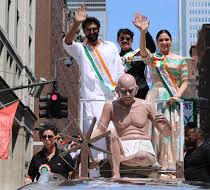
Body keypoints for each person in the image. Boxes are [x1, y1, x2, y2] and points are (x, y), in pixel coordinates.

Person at [133, 13, 190, 171]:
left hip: (172, 97)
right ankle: (153, 164)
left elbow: (185, 81)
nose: (164, 42)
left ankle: (169, 167)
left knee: (171, 130)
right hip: (155, 96)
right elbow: (143, 52)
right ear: (157, 43)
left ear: (171, 41)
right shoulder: (154, 58)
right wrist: (143, 31)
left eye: (167, 39)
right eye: (161, 40)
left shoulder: (180, 60)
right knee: (153, 131)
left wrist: (178, 95)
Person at [91, 74, 172, 178]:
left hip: (143, 148)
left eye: (131, 90)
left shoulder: (147, 105)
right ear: (117, 90)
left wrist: (167, 124)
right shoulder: (110, 106)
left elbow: (166, 133)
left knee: (142, 156)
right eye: (123, 91)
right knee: (110, 133)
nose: (127, 94)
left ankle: (114, 159)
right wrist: (85, 141)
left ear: (136, 89)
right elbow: (100, 129)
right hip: (122, 146)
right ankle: (116, 174)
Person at [63, 5, 124, 133]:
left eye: (94, 29)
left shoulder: (110, 46)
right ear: (84, 31)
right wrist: (76, 23)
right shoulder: (80, 49)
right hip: (90, 99)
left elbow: (119, 70)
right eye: (88, 30)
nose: (92, 32)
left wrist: (121, 92)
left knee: (112, 134)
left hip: (111, 97)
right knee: (94, 136)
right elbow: (67, 42)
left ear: (98, 30)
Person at [117, 27, 156, 99]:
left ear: (132, 40)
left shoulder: (138, 53)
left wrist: (144, 31)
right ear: (117, 40)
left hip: (140, 94)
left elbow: (152, 48)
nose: (125, 41)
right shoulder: (115, 57)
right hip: (121, 95)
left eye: (128, 39)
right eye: (122, 38)